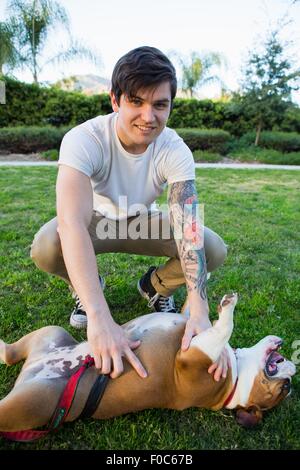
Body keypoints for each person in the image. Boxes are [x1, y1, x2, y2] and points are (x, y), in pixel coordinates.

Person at [30, 46, 228, 382]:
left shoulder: (174, 148)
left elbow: (187, 222)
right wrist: (99, 315)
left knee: (211, 247)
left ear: (170, 106)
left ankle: (155, 286)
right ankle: (85, 289)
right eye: (136, 101)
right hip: (94, 221)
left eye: (160, 104)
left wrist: (199, 305)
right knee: (47, 245)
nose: (148, 116)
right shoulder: (84, 139)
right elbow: (72, 223)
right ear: (115, 100)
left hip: (142, 222)